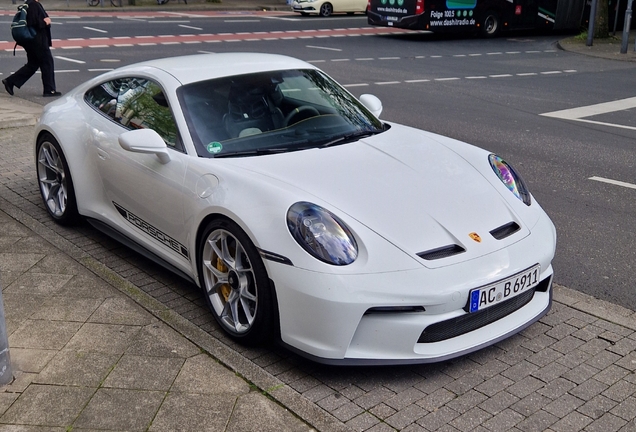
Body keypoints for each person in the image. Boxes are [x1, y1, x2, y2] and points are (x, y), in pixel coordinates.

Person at [2, 0, 61, 98]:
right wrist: (45, 22)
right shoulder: (33, 4)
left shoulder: (29, 4)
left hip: (32, 42)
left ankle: (10, 81)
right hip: (38, 41)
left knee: (33, 64)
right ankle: (49, 90)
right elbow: (32, 22)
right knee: (47, 63)